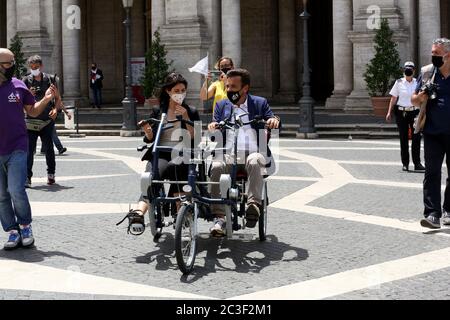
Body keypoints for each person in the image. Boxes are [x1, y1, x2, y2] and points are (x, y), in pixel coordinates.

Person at [122, 72, 200, 234]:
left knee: (179, 171)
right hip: (161, 153)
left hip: (183, 153)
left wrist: (186, 117)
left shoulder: (191, 111)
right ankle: (138, 214)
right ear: (168, 91)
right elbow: (150, 139)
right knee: (151, 177)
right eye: (176, 90)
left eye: (183, 90)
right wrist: (148, 132)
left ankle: (181, 214)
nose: (180, 94)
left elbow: (196, 138)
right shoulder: (159, 111)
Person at [207, 69, 280, 237]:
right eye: (227, 87)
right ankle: (219, 217)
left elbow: (273, 118)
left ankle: (253, 206)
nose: (229, 90)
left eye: (233, 87)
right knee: (217, 166)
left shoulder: (259, 103)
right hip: (229, 152)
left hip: (254, 151)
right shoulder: (222, 105)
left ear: (245, 88)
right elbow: (214, 129)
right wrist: (213, 127)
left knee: (255, 161)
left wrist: (273, 121)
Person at [0, 48, 57, 250]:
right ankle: (12, 231)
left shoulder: (18, 86)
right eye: (9, 63)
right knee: (1, 195)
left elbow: (32, 111)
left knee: (16, 189)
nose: (13, 65)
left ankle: (25, 226)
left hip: (17, 146)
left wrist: (48, 98)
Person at [411, 38, 450, 229]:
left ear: (447, 55)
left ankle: (449, 210)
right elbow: (414, 101)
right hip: (432, 131)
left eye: (436, 53)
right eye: (432, 52)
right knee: (431, 172)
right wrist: (422, 95)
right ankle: (432, 214)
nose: (433, 55)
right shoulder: (427, 73)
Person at [23, 55, 59, 187]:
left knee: (49, 148)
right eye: (32, 67)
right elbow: (20, 99)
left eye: (36, 67)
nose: (34, 69)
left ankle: (51, 174)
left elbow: (58, 97)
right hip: (30, 121)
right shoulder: (26, 80)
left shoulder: (50, 80)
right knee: (29, 150)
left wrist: (55, 109)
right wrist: (28, 94)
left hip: (47, 121)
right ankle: (27, 177)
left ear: (41, 66)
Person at [386, 61, 425, 172]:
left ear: (414, 70)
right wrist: (389, 112)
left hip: (414, 112)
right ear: (404, 70)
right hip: (401, 113)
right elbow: (393, 98)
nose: (408, 70)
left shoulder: (418, 82)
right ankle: (405, 164)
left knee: (416, 138)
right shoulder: (398, 82)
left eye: (411, 68)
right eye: (406, 68)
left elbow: (422, 98)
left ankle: (417, 163)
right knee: (403, 139)